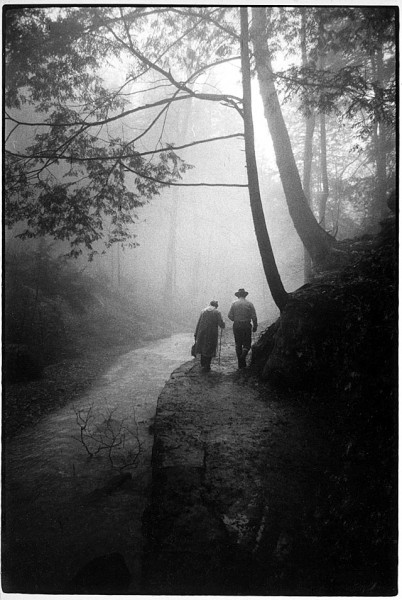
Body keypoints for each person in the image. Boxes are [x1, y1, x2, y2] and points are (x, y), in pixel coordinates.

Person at [228, 288, 257, 369]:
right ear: (245, 295)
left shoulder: (234, 304)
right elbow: (254, 316)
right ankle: (243, 357)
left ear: (238, 295)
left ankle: (240, 363)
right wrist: (255, 326)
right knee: (247, 343)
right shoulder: (249, 304)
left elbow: (229, 315)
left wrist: (235, 319)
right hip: (246, 325)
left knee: (238, 344)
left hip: (237, 325)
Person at [194, 300, 225, 372]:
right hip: (212, 333)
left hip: (202, 332)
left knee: (202, 346)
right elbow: (221, 324)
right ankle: (207, 365)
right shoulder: (217, 312)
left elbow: (199, 322)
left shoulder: (203, 311)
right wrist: (223, 324)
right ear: (216, 306)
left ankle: (203, 364)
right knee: (210, 347)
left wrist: (196, 333)